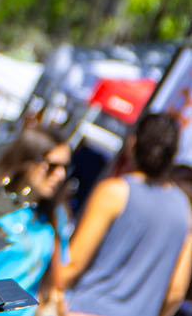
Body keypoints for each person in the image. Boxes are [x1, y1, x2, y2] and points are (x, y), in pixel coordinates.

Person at [56, 112, 192, 316]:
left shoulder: (115, 191)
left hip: (89, 309)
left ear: (133, 142)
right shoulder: (184, 210)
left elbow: (72, 266)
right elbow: (175, 293)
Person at [0, 126, 73, 310]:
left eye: (65, 167)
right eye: (52, 166)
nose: (60, 175)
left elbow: (57, 281)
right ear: (28, 161)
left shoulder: (55, 218)